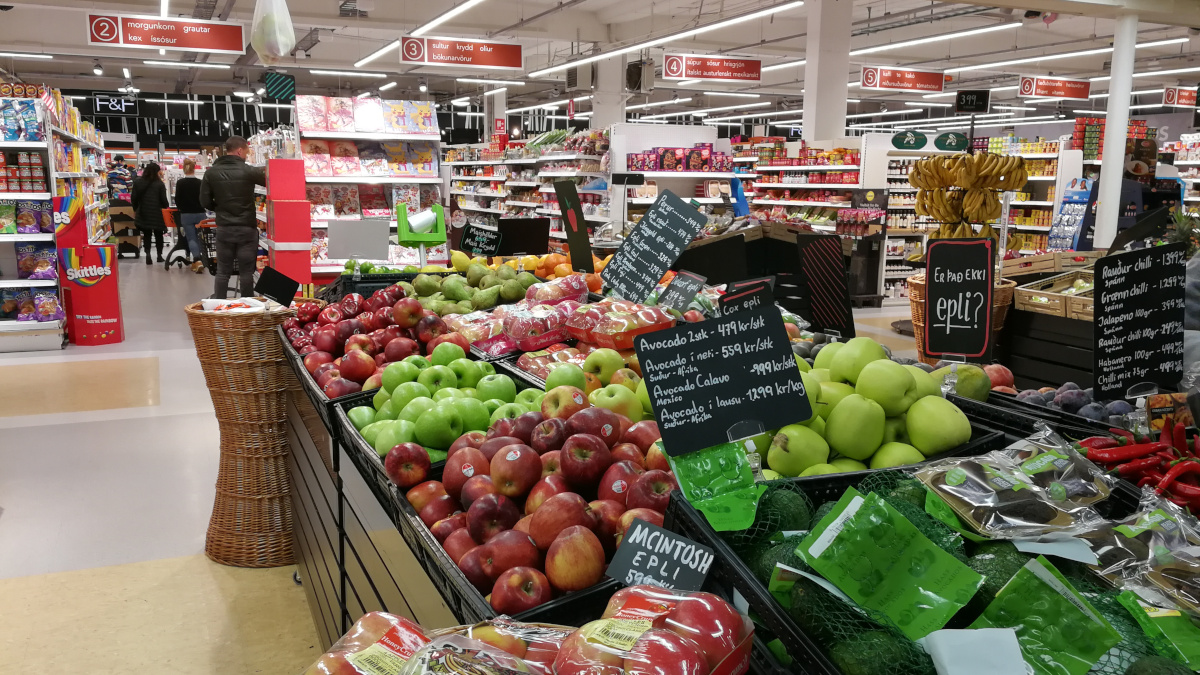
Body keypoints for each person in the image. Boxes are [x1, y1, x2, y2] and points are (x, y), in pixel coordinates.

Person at [200, 136, 266, 298]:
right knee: (246, 273)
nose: (246, 155)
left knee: (222, 272)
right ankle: (247, 311)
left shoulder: (211, 173)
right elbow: (272, 182)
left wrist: (221, 207)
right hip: (246, 229)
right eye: (246, 152)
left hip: (224, 229)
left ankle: (219, 307)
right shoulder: (248, 171)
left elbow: (204, 201)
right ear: (239, 150)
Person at [130, 162, 169, 264]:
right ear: (156, 172)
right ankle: (159, 256)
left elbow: (133, 198)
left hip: (143, 212)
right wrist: (165, 206)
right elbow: (164, 200)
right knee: (158, 234)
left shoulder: (138, 182)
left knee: (146, 234)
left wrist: (135, 209)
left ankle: (148, 255)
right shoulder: (160, 184)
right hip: (157, 213)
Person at [173, 159, 207, 274]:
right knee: (201, 237)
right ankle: (203, 260)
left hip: (186, 214)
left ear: (184, 169)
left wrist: (182, 208)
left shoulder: (180, 183)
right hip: (200, 214)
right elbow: (204, 199)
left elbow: (177, 199)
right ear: (194, 169)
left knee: (191, 238)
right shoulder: (200, 182)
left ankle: (197, 260)